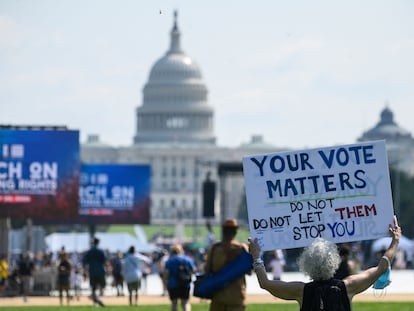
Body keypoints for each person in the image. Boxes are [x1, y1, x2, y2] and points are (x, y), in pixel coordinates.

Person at [248, 215, 402, 311]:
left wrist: (256, 257)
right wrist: (395, 241)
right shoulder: (347, 287)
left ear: (306, 263)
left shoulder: (301, 291)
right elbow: (382, 267)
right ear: (334, 261)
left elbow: (265, 283)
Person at [204, 218, 250, 311]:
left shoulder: (215, 249)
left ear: (223, 231)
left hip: (218, 295)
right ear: (235, 231)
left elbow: (207, 270)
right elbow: (249, 271)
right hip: (236, 296)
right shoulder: (242, 249)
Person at [164, 244, 196, 311]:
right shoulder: (187, 259)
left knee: (174, 303)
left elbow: (166, 273)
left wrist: (165, 282)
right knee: (185, 303)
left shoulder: (170, 261)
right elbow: (194, 270)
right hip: (185, 284)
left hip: (173, 284)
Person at [82, 237, 107, 307]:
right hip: (100, 271)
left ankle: (95, 302)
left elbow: (84, 261)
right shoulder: (101, 251)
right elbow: (105, 260)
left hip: (92, 271)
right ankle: (99, 299)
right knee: (102, 286)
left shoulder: (90, 251)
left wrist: (84, 271)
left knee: (93, 287)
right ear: (98, 242)